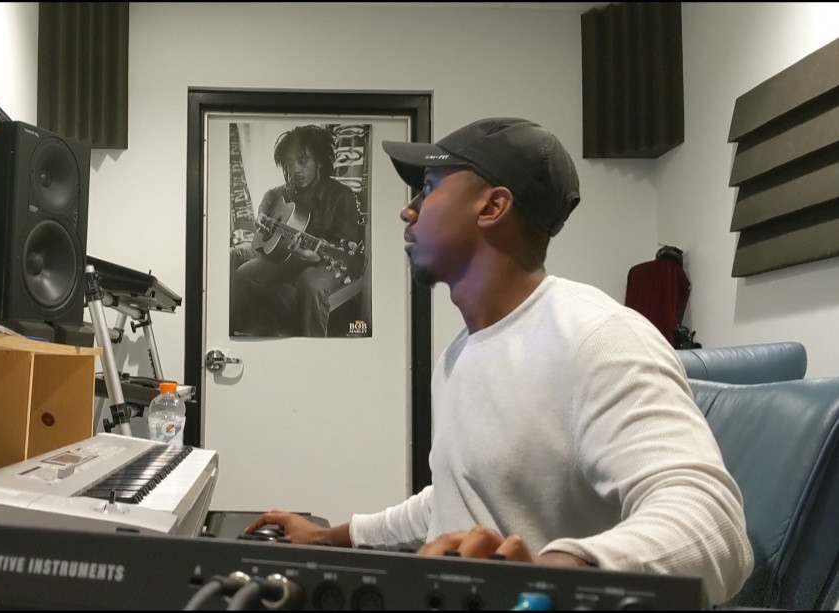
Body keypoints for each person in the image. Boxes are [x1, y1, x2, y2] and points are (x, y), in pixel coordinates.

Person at [244, 117, 753, 605]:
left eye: (428, 188)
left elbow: (713, 527)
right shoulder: (459, 354)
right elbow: (457, 495)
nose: (408, 210)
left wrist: (551, 577)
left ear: (492, 207)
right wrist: (332, 537)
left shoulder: (600, 337)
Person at [231, 124, 363, 337]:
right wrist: (262, 215)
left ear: (319, 161)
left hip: (327, 260)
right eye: (290, 162)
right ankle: (249, 334)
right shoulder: (287, 191)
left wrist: (314, 255)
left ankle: (311, 348)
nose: (295, 170)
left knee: (310, 284)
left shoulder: (342, 195)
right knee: (244, 273)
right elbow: (270, 196)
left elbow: (346, 250)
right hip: (290, 256)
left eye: (303, 161)